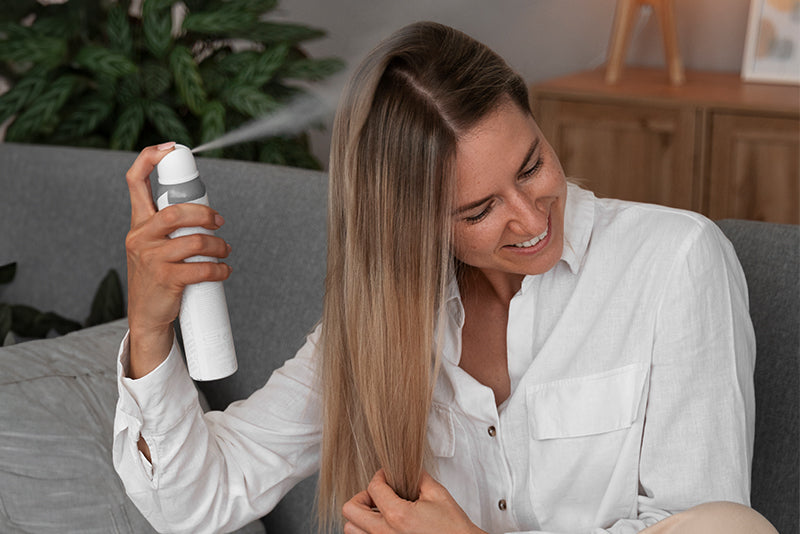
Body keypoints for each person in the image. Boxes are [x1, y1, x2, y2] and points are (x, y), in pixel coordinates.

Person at [114, 21, 778, 534]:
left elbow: (706, 522)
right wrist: (149, 327)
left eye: (531, 165)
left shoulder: (675, 261)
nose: (528, 218)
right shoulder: (381, 323)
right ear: (416, 227)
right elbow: (195, 500)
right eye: (478, 210)